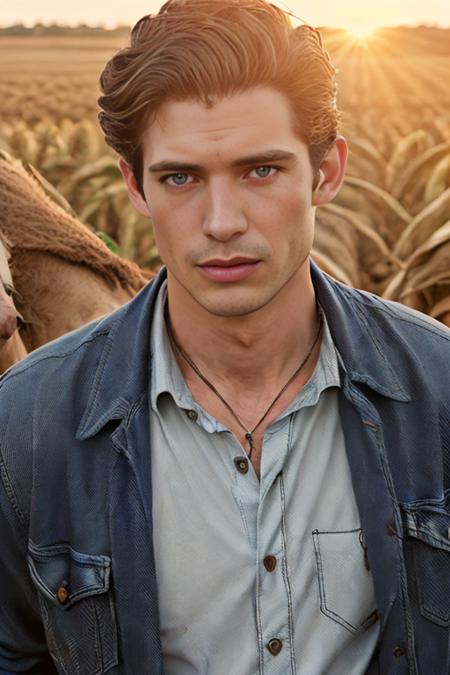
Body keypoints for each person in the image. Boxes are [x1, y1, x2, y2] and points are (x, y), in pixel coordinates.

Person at [0, 1, 449, 673]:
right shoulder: (27, 421)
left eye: (260, 170)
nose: (221, 221)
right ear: (135, 186)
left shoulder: (439, 390)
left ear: (326, 172)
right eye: (180, 177)